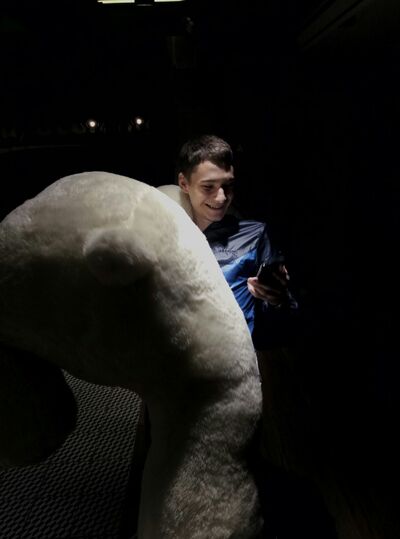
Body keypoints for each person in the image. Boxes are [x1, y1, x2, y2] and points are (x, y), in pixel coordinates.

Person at [176, 134, 298, 351]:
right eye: (208, 187)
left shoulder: (254, 235)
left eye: (228, 185)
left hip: (235, 361)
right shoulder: (167, 235)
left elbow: (286, 323)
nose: (222, 197)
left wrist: (278, 299)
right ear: (184, 183)